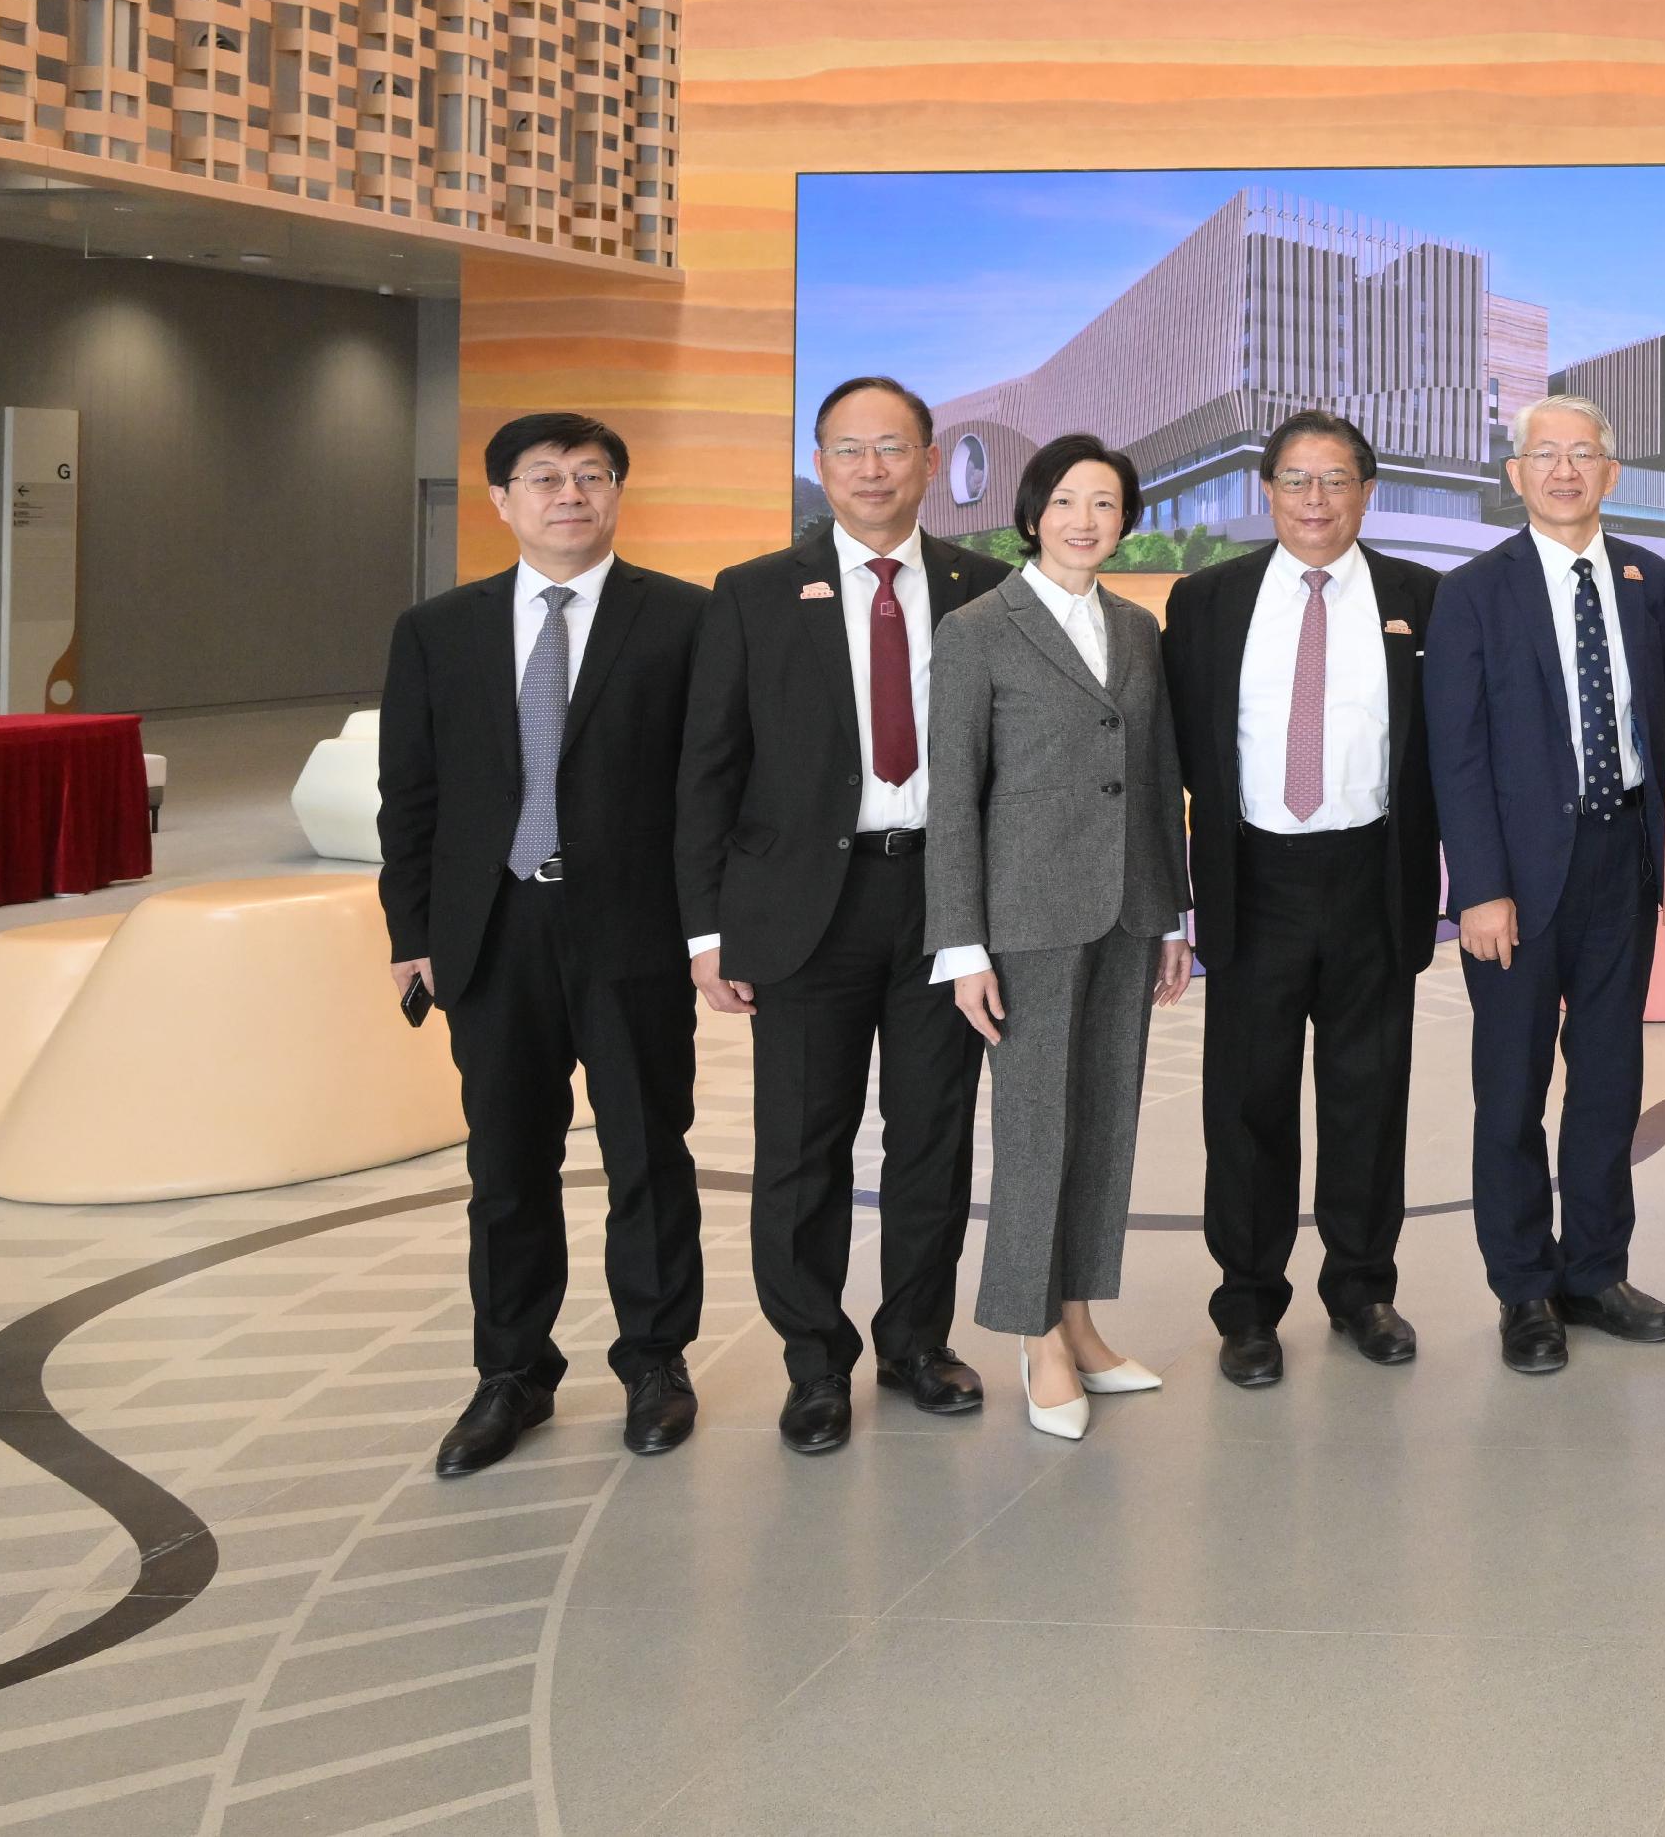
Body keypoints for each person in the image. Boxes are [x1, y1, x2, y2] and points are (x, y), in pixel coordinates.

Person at [677, 376, 1009, 1457]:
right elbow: (708, 771)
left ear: (928, 462)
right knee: (803, 1147)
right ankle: (814, 1362)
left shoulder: (984, 590)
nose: (873, 469)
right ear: (821, 463)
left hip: (943, 904)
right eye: (850, 450)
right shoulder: (753, 591)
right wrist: (705, 929)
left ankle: (917, 1341)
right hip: (802, 909)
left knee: (931, 1140)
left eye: (893, 449)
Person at [380, 412, 712, 1478]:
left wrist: (714, 928)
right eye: (543, 477)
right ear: (500, 501)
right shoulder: (437, 630)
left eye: (590, 475)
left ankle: (655, 1360)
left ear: (617, 491)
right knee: (507, 1165)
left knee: (647, 1157)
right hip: (494, 931)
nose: (568, 493)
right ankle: (511, 1373)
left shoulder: (686, 622)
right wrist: (412, 930)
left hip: (634, 933)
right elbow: (412, 795)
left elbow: (713, 790)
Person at [1164, 411, 1443, 1389]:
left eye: (1334, 481)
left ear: (1367, 492)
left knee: (1369, 1097)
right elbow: (1171, 763)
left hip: (1375, 877)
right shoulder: (1204, 602)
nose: (1315, 501)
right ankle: (1247, 1305)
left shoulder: (1421, 597)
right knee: (1247, 1103)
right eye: (1295, 481)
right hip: (1255, 880)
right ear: (1268, 492)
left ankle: (1363, 1289)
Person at [924, 435, 1191, 1439]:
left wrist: (1170, 913)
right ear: (1032, 513)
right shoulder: (979, 628)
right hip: (1023, 921)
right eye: (1068, 501)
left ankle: (1078, 1318)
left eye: (1107, 503)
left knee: (1103, 1123)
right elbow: (955, 797)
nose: (1086, 519)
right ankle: (1031, 1337)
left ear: (1126, 519)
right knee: (1035, 1132)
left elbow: (1157, 779)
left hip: (1126, 911)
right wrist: (960, 945)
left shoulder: (1134, 627)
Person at [1425, 395, 1665, 1376]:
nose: (1566, 470)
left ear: (1612, 474)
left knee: (1609, 1085)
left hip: (1623, 862)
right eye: (1547, 454)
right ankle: (1524, 1289)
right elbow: (1456, 755)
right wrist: (1480, 888)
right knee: (1512, 1090)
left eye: (1586, 455)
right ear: (1515, 473)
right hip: (1517, 888)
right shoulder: (1474, 593)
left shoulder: (1649, 583)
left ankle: (1595, 1272)